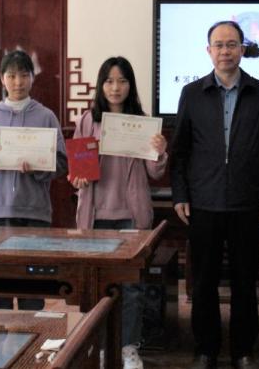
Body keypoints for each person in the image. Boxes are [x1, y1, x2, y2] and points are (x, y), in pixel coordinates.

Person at [170, 20, 259, 369]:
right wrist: (180, 194)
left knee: (245, 282)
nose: (225, 51)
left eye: (232, 44)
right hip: (203, 202)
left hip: (248, 203)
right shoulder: (192, 93)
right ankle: (206, 349)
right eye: (218, 45)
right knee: (203, 283)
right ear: (208, 51)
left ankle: (243, 350)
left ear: (242, 49)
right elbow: (180, 151)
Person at [70, 56, 168, 369]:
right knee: (96, 286)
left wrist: (160, 152)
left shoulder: (142, 122)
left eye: (122, 81)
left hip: (131, 216)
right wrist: (78, 176)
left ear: (130, 85)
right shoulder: (88, 120)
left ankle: (127, 347)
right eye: (109, 81)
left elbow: (154, 172)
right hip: (96, 215)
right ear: (101, 85)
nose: (115, 87)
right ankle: (99, 345)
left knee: (132, 287)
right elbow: (76, 169)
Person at [0, 49, 67, 310]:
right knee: (1, 282)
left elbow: (63, 164)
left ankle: (31, 333)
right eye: (11, 76)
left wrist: (37, 168)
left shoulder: (46, 116)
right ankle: (0, 334)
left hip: (35, 211)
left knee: (33, 284)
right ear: (2, 79)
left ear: (32, 77)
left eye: (23, 75)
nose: (18, 82)